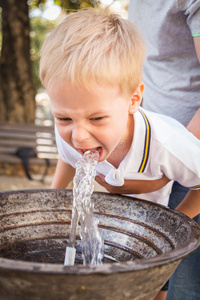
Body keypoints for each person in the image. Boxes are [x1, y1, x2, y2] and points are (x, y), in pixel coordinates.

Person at [39, 9, 200, 298]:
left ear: (133, 99)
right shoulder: (68, 129)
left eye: (97, 119)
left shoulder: (167, 143)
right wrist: (53, 200)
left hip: (156, 224)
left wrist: (172, 227)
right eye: (63, 118)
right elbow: (66, 157)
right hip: (112, 229)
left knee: (157, 291)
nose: (78, 136)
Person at [127, 1, 200, 300]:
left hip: (187, 157)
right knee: (153, 279)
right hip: (152, 154)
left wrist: (175, 157)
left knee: (185, 285)